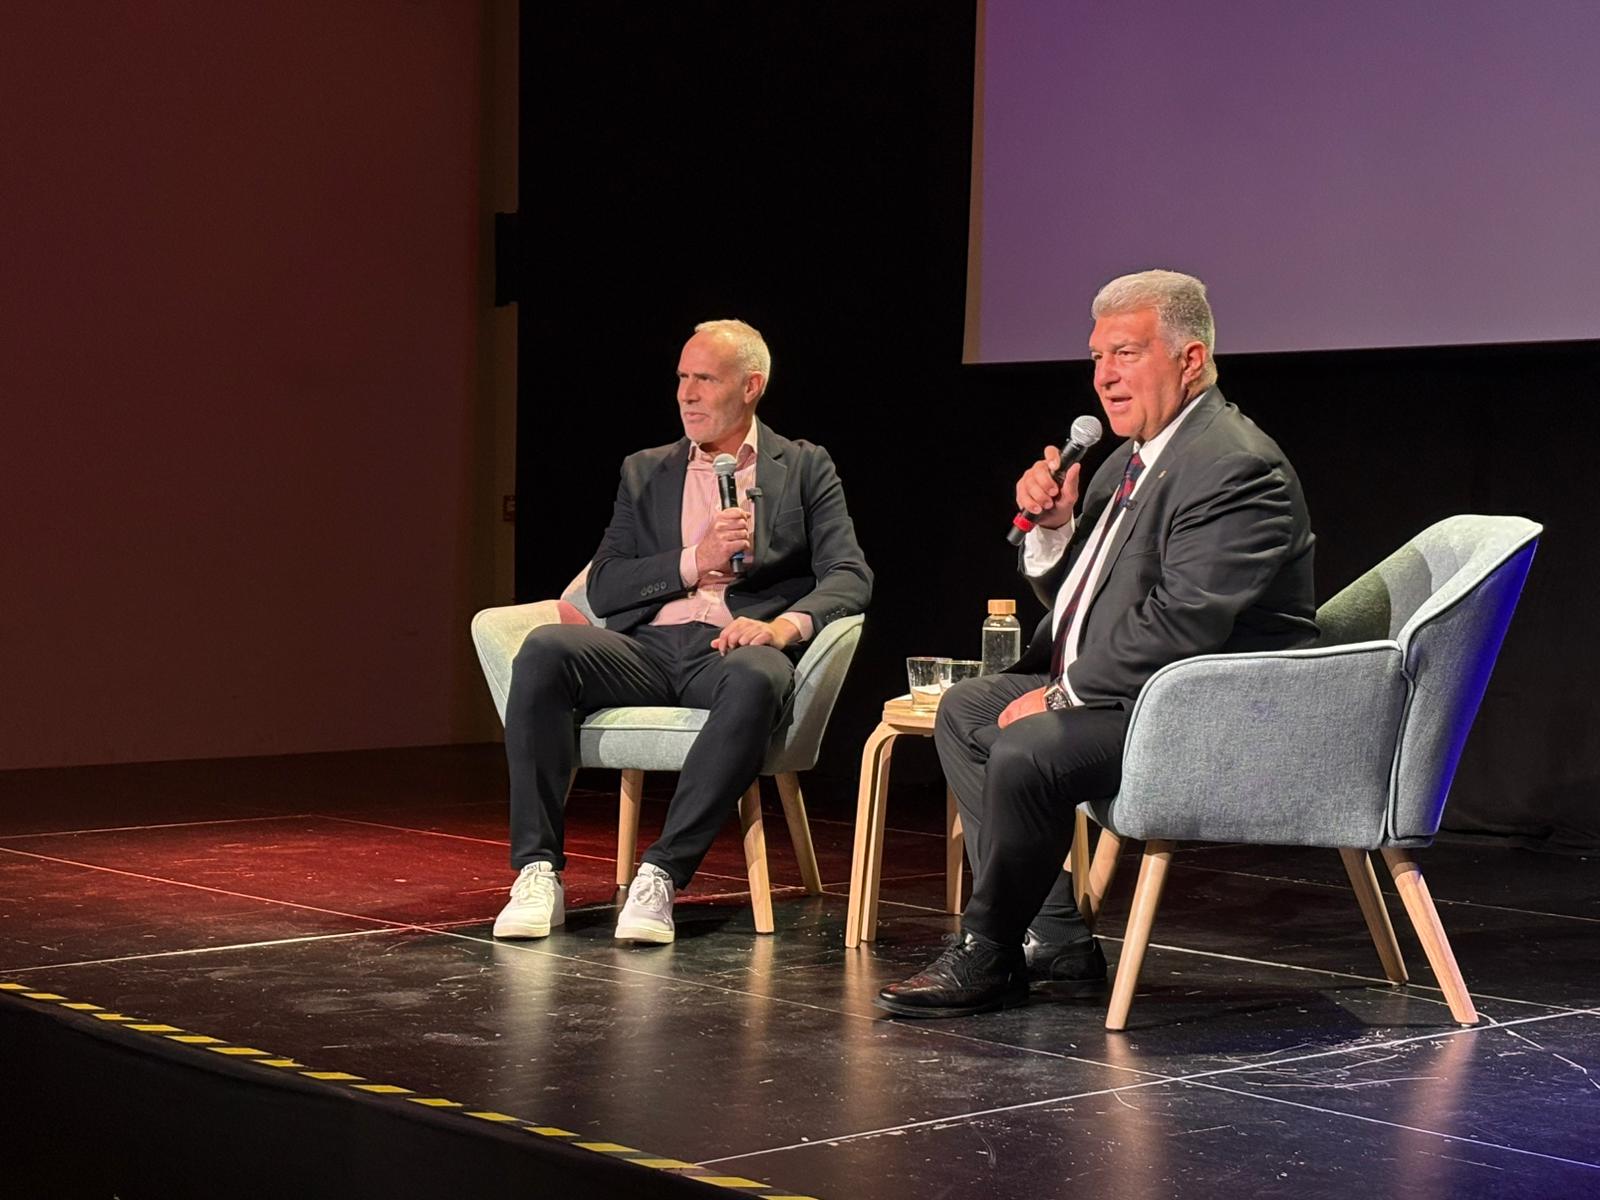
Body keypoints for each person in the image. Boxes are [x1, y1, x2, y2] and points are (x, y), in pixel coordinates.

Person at [877, 270, 1316, 1017]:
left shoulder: (1235, 465)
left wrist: (1058, 694)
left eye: (1126, 353)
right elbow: (1083, 605)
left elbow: (1184, 623)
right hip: (1137, 693)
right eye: (1097, 357)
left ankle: (987, 950)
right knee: (969, 710)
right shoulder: (1130, 457)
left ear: (1191, 358)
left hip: (1210, 710)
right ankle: (1058, 943)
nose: (1105, 378)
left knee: (1031, 745)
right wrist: (1054, 531)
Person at [494, 319, 872, 945]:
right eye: (681, 378)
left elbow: (850, 574)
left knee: (760, 676)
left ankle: (662, 874)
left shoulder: (803, 466)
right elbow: (608, 584)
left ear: (751, 386)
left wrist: (781, 627)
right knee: (545, 650)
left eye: (705, 379)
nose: (686, 394)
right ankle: (537, 870)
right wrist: (693, 560)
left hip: (729, 651)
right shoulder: (645, 472)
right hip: (646, 649)